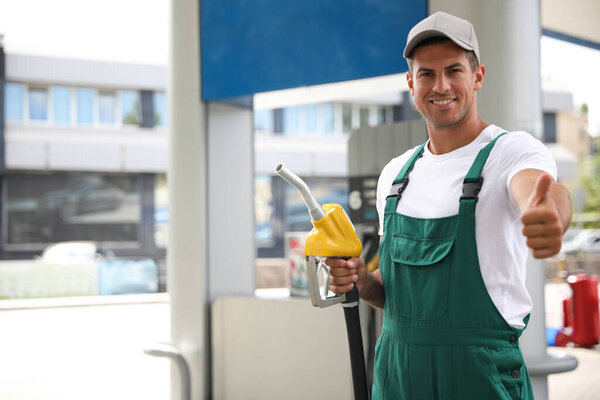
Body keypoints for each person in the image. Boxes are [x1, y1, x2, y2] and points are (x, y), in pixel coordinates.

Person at [326, 11, 571, 399]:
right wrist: (363, 282)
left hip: (479, 376)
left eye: (454, 70)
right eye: (426, 74)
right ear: (411, 83)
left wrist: (549, 215)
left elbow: (541, 192)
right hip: (397, 376)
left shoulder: (509, 152)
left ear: (477, 76)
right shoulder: (395, 177)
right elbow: (395, 296)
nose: (440, 85)